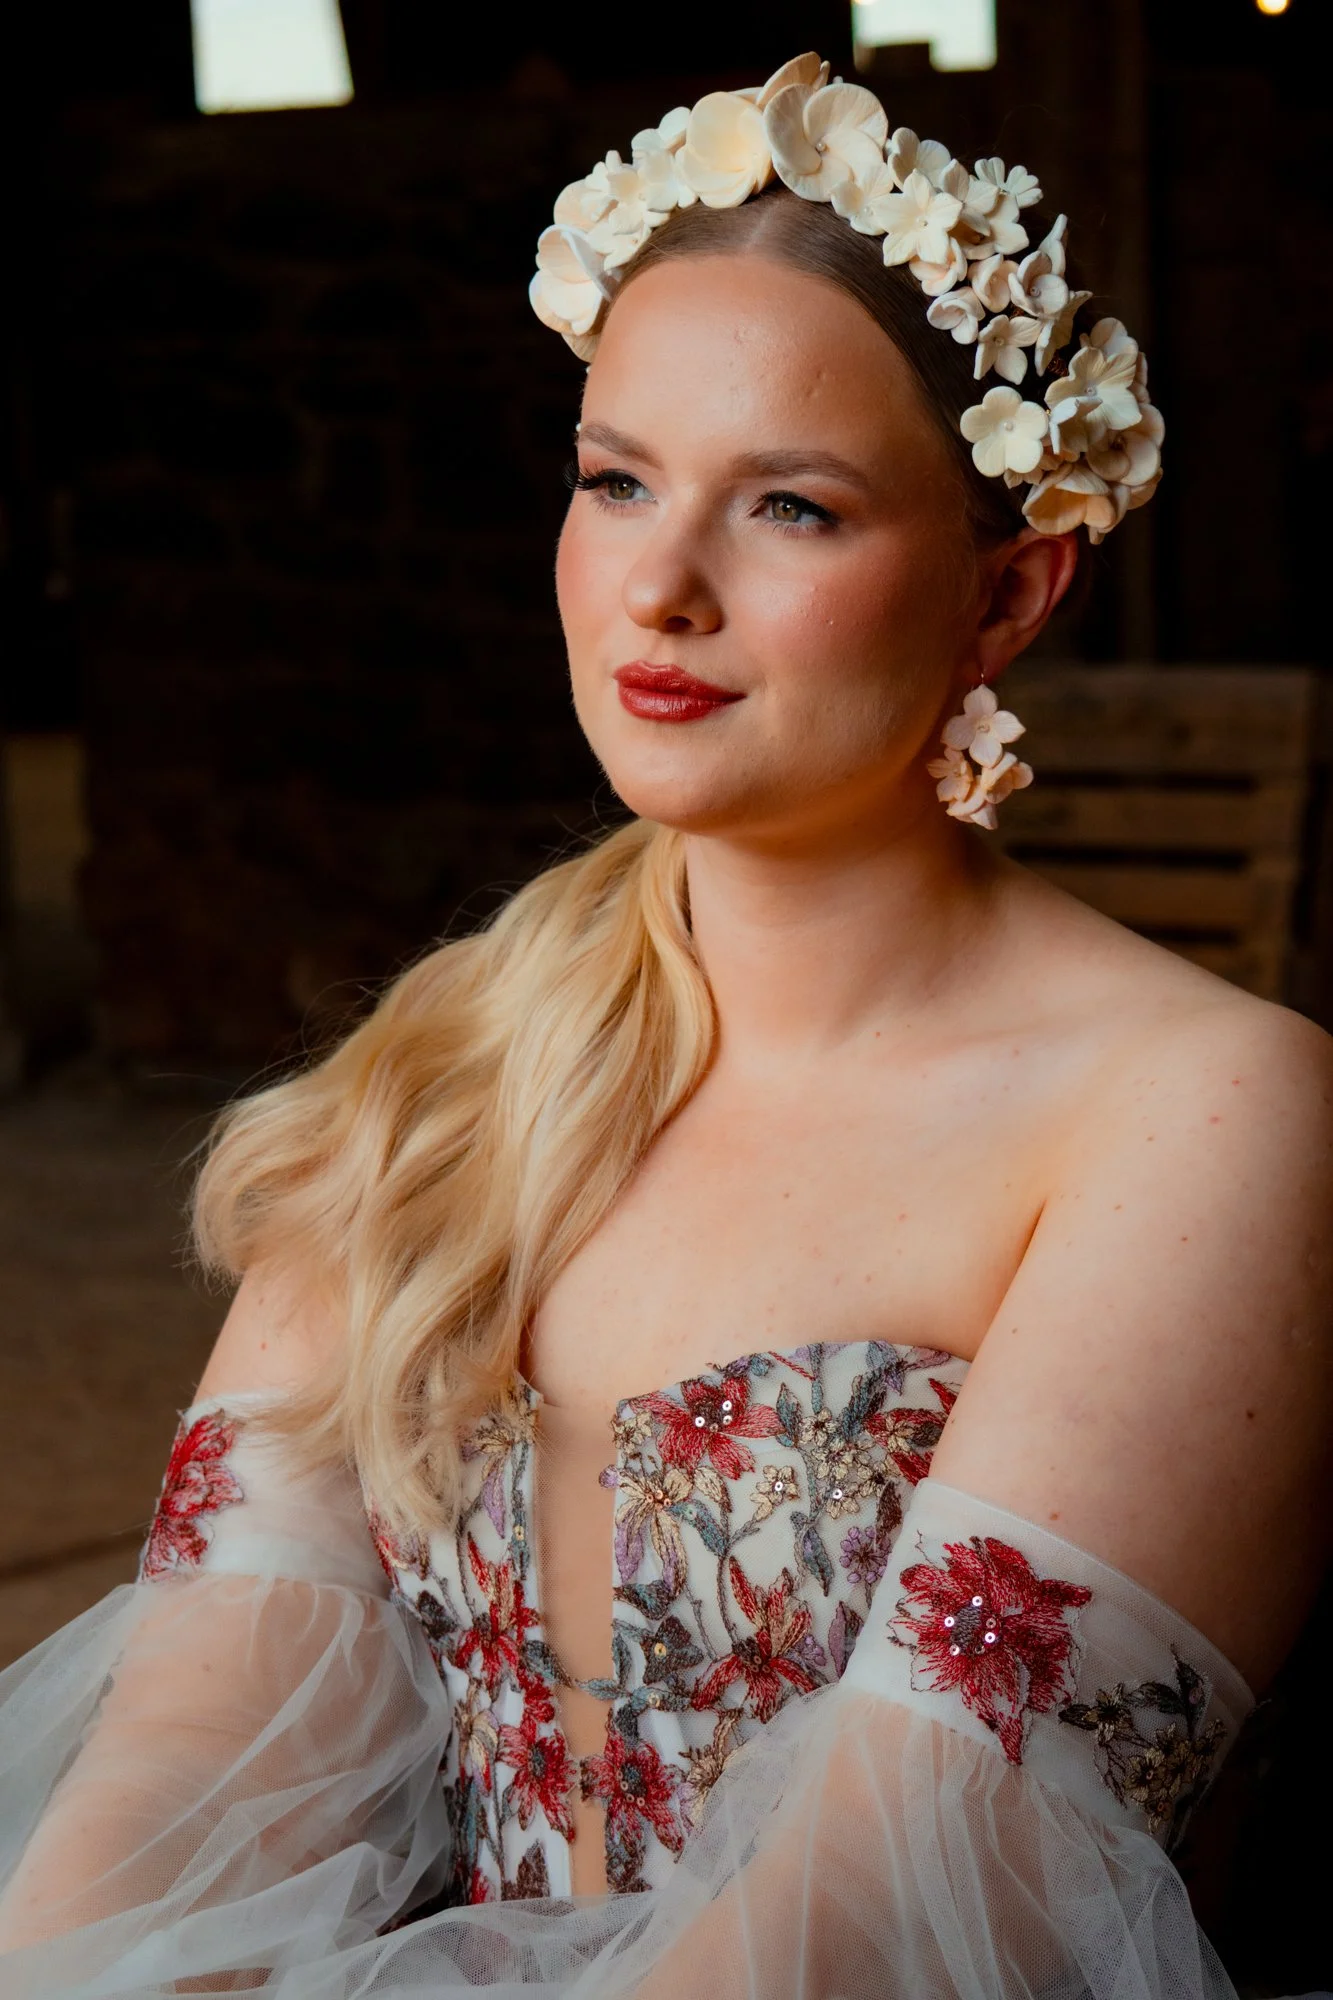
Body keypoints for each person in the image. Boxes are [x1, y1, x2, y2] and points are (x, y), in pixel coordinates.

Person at [1, 48, 1329, 1999]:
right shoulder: (447, 1065)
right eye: (615, 478)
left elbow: (876, 1912)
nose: (661, 584)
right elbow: (194, 1757)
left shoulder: (1215, 1118)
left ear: (1008, 589)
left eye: (790, 507)